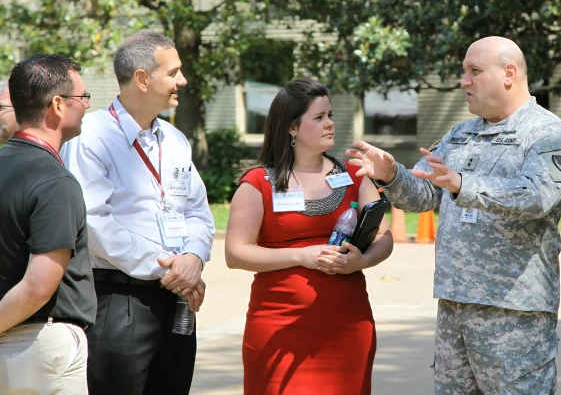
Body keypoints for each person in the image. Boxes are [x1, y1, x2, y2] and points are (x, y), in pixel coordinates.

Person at [347, 36, 561, 394]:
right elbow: (426, 194)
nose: (465, 81)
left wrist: (463, 184)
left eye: (474, 71)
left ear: (508, 73)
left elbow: (539, 197)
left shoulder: (548, 134)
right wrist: (392, 174)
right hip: (455, 304)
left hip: (513, 310)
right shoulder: (462, 133)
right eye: (464, 72)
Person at [60, 31, 215, 395]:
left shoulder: (175, 141)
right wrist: (170, 268)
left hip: (176, 298)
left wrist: (193, 257)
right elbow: (95, 223)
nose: (183, 80)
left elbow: (198, 212)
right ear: (142, 79)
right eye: (174, 72)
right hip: (119, 301)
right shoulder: (93, 136)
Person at [225, 77, 394, 395]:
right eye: (319, 118)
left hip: (347, 325)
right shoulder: (259, 182)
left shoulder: (354, 174)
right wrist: (302, 255)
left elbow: (384, 235)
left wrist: (363, 260)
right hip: (279, 325)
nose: (330, 124)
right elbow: (235, 254)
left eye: (329, 115)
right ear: (292, 128)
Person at [0, 55, 96, 393]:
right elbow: (38, 286)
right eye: (83, 98)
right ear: (58, 104)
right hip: (38, 344)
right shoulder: (54, 181)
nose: (86, 106)